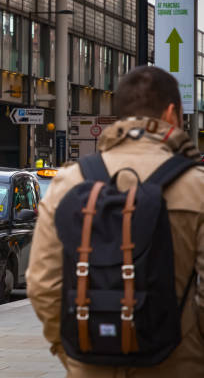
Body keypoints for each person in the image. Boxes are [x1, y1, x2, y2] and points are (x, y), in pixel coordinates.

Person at [26, 66, 204, 377]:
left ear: (119, 116)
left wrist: (72, 352)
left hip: (89, 364)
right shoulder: (196, 186)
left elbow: (42, 284)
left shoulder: (68, 183)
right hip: (178, 364)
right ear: (173, 114)